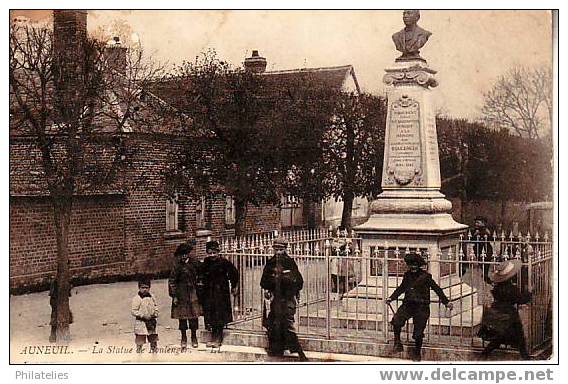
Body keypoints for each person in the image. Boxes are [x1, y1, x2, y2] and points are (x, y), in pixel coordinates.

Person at [386, 252, 453, 361]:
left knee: (418, 333)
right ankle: (397, 343)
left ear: (418, 265)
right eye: (410, 264)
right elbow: (401, 288)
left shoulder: (426, 276)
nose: (412, 267)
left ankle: (417, 353)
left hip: (421, 307)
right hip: (408, 305)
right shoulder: (407, 275)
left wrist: (446, 302)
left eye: (415, 264)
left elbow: (437, 289)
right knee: (396, 321)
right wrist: (391, 298)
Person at [260, 237, 308, 361]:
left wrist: (292, 287)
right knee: (274, 322)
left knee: (287, 323)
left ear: (285, 249)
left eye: (281, 249)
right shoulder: (270, 262)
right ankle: (277, 349)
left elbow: (299, 280)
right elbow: (264, 280)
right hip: (275, 298)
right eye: (276, 249)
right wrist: (268, 289)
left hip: (288, 298)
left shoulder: (289, 262)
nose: (278, 252)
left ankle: (298, 351)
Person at [478, 259, 532, 360]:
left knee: (501, 336)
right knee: (519, 336)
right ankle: (526, 357)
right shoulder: (511, 289)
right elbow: (521, 299)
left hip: (498, 312)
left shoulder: (497, 288)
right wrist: (529, 294)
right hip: (510, 315)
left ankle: (485, 353)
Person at [199, 239, 239, 348]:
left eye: (214, 252)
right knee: (210, 313)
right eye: (210, 253)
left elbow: (234, 273)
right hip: (209, 291)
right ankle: (213, 336)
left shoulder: (224, 262)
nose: (212, 255)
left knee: (219, 313)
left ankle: (219, 337)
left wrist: (234, 285)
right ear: (207, 253)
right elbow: (200, 275)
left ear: (218, 252)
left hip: (221, 291)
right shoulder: (206, 262)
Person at [168, 241, 201, 351]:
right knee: (182, 317)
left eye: (185, 254)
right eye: (181, 255)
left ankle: (194, 337)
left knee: (193, 316)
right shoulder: (177, 266)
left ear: (188, 254)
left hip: (192, 293)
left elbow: (200, 275)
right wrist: (174, 295)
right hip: (181, 293)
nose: (183, 257)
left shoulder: (194, 263)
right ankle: (183, 337)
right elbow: (172, 281)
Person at [131, 278, 159, 353]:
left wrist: (155, 313)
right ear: (139, 288)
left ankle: (154, 350)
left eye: (147, 287)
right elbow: (134, 311)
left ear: (149, 288)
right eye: (142, 288)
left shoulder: (152, 297)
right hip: (141, 322)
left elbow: (156, 306)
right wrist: (142, 315)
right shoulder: (137, 298)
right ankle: (139, 351)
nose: (145, 290)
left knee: (153, 337)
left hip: (151, 321)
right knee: (140, 337)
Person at [48, 277, 73, 343]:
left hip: (59, 301)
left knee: (58, 317)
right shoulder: (57, 282)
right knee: (56, 317)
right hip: (57, 300)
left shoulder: (62, 281)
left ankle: (55, 336)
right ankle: (54, 336)